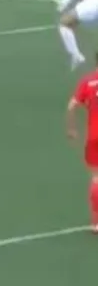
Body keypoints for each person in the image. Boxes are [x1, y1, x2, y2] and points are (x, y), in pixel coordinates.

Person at [66, 55, 98, 234]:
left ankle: (96, 222)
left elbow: (71, 106)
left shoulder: (87, 82)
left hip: (94, 137)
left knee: (96, 177)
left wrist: (71, 129)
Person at [50, 0, 98, 69]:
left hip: (93, 7)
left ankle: (76, 55)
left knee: (64, 23)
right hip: (92, 6)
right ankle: (64, 3)